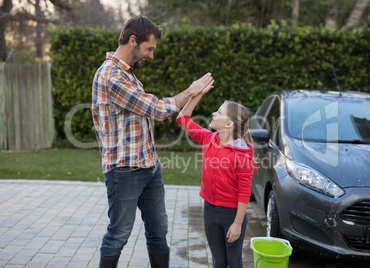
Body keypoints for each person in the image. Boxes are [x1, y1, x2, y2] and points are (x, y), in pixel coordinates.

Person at [91, 16, 214, 268]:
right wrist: (190, 90)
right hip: (124, 171)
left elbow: (149, 112)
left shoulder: (128, 74)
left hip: (149, 167)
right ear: (133, 41)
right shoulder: (111, 76)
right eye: (149, 49)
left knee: (158, 232)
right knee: (118, 235)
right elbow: (156, 109)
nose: (151, 55)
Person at [176, 88, 257, 267]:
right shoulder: (208, 138)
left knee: (234, 262)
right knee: (218, 262)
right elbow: (182, 119)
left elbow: (244, 193)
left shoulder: (242, 155)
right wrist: (197, 94)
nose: (213, 113)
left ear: (229, 124)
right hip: (210, 212)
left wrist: (237, 224)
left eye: (219, 112)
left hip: (232, 214)